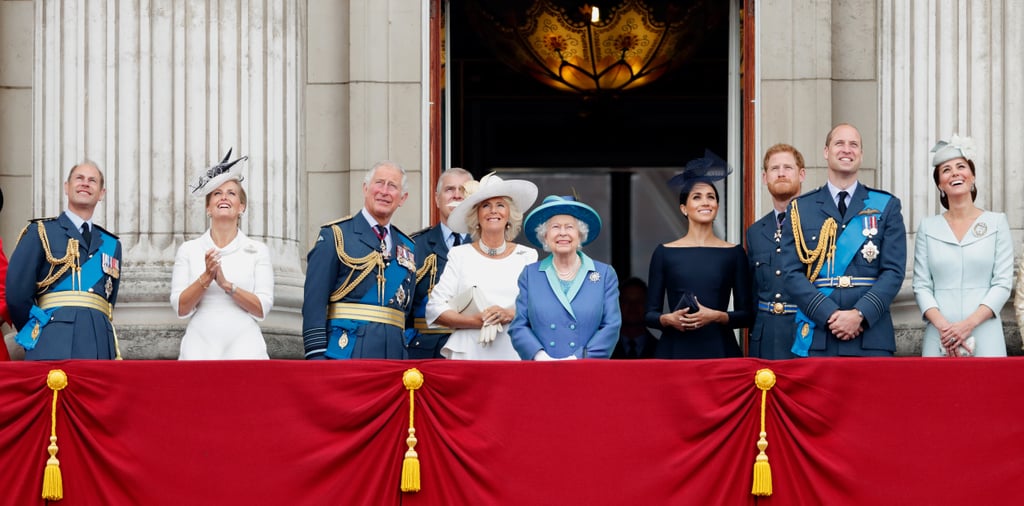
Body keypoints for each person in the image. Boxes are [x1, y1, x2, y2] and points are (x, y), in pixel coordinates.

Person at [780, 123, 907, 357]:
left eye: (854, 145)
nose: (846, 149)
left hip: (870, 334)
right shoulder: (800, 208)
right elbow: (791, 273)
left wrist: (859, 314)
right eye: (839, 143)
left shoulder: (886, 205)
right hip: (819, 334)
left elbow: (893, 272)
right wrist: (829, 314)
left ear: (861, 155)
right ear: (826, 152)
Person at [6, 161, 123, 360]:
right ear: (66, 187)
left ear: (101, 193)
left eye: (92, 180)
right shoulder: (40, 232)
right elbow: (17, 295)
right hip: (52, 342)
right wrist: (41, 332)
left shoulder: (112, 245)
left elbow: (108, 300)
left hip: (100, 346)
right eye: (79, 178)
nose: (85, 183)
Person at [302, 161, 417, 360]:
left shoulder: (407, 247)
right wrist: (316, 356)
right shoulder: (336, 235)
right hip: (346, 351)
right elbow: (315, 302)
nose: (384, 191)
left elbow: (405, 311)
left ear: (402, 198)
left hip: (394, 355)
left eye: (392, 186)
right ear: (365, 188)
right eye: (379, 183)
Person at [645, 150, 753, 359]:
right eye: (697, 197)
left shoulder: (734, 253)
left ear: (717, 206)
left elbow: (747, 315)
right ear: (684, 208)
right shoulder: (664, 253)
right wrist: (668, 319)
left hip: (720, 351)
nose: (705, 202)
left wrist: (717, 316)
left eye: (710, 197)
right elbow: (650, 315)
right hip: (675, 351)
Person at [912, 135, 1013, 357]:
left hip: (985, 330)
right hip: (940, 335)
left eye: (961, 166)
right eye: (946, 170)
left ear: (972, 176)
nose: (955, 173)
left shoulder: (996, 223)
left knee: (987, 391)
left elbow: (1003, 283)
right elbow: (921, 285)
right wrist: (945, 328)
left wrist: (967, 325)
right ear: (940, 183)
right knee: (937, 391)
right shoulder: (928, 227)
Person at [170, 150, 274, 359]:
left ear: (241, 207)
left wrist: (227, 285)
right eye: (217, 193)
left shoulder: (257, 250)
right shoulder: (189, 250)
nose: (224, 197)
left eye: (231, 193)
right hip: (200, 345)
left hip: (245, 346)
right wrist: (206, 278)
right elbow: (181, 307)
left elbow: (262, 308)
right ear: (208, 207)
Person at [425, 173, 538, 360]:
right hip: (469, 353)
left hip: (513, 352)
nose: (493, 211)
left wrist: (509, 314)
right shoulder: (460, 255)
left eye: (500, 205)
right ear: (476, 215)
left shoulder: (527, 256)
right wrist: (474, 321)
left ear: (509, 214)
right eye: (486, 205)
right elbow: (434, 310)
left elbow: (538, 308)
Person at [510, 195, 621, 360]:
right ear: (545, 235)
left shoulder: (604, 274)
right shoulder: (530, 275)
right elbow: (519, 326)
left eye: (569, 227)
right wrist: (540, 356)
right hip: (543, 369)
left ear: (580, 234)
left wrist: (579, 358)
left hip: (586, 370)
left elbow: (611, 326)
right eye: (555, 227)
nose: (562, 233)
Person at [406, 167, 474, 359]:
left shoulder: (484, 245)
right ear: (436, 199)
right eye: (450, 189)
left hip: (474, 349)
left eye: (464, 190)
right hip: (425, 352)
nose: (457, 195)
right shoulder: (414, 245)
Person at [746, 144, 806, 359]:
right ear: (764, 177)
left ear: (801, 174)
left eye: (788, 167)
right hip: (766, 339)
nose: (781, 173)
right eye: (774, 168)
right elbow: (752, 293)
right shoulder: (755, 232)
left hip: (805, 334)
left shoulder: (820, 223)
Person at [611, 277, 658, 359]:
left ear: (648, 305)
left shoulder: (661, 349)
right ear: (617, 305)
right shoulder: (606, 348)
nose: (633, 306)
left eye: (639, 301)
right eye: (626, 301)